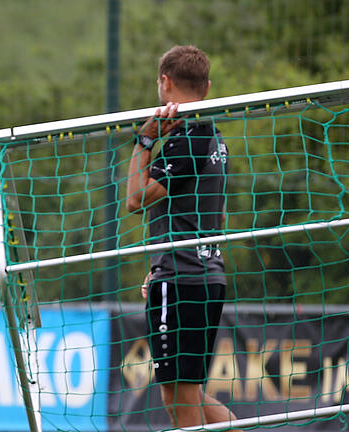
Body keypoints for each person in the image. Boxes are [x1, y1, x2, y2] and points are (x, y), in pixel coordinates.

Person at [126, 45, 238, 429]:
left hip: (183, 279)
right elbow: (216, 214)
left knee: (182, 399)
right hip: (200, 273)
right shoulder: (214, 138)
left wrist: (143, 141)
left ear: (164, 82)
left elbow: (135, 199)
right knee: (182, 393)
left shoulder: (185, 137)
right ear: (207, 86)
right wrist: (161, 258)